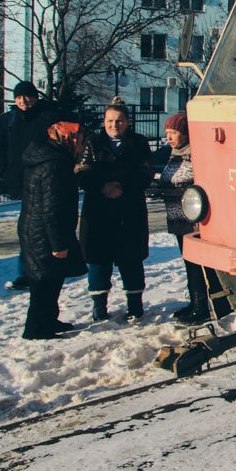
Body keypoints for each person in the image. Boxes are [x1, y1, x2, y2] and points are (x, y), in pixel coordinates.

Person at [77, 98, 152, 322]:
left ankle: (135, 306)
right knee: (98, 259)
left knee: (131, 258)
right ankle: (99, 306)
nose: (114, 125)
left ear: (127, 122)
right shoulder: (93, 142)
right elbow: (82, 172)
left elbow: (146, 173)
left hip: (130, 209)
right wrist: (103, 187)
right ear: (104, 121)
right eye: (110, 120)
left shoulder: (139, 143)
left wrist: (122, 188)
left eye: (119, 121)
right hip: (99, 210)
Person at [0, 80, 63, 290]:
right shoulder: (8, 120)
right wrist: (3, 170)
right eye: (19, 97)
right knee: (29, 228)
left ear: (35, 96)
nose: (23, 101)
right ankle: (28, 271)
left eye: (27, 96)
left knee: (45, 225)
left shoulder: (48, 116)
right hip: (20, 178)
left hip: (45, 178)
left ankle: (43, 268)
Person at [18, 121, 88, 340]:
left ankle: (48, 320)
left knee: (50, 278)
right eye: (79, 140)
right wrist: (58, 244)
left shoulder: (47, 156)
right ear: (67, 139)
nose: (81, 145)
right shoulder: (54, 165)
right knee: (44, 282)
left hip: (36, 229)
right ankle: (37, 329)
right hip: (45, 234)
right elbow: (53, 210)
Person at [152, 112, 214, 324]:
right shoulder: (174, 153)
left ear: (186, 133)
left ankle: (201, 307)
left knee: (197, 265)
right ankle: (194, 303)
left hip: (192, 221)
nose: (169, 137)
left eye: (174, 132)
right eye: (167, 132)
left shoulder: (194, 153)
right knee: (188, 263)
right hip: (177, 219)